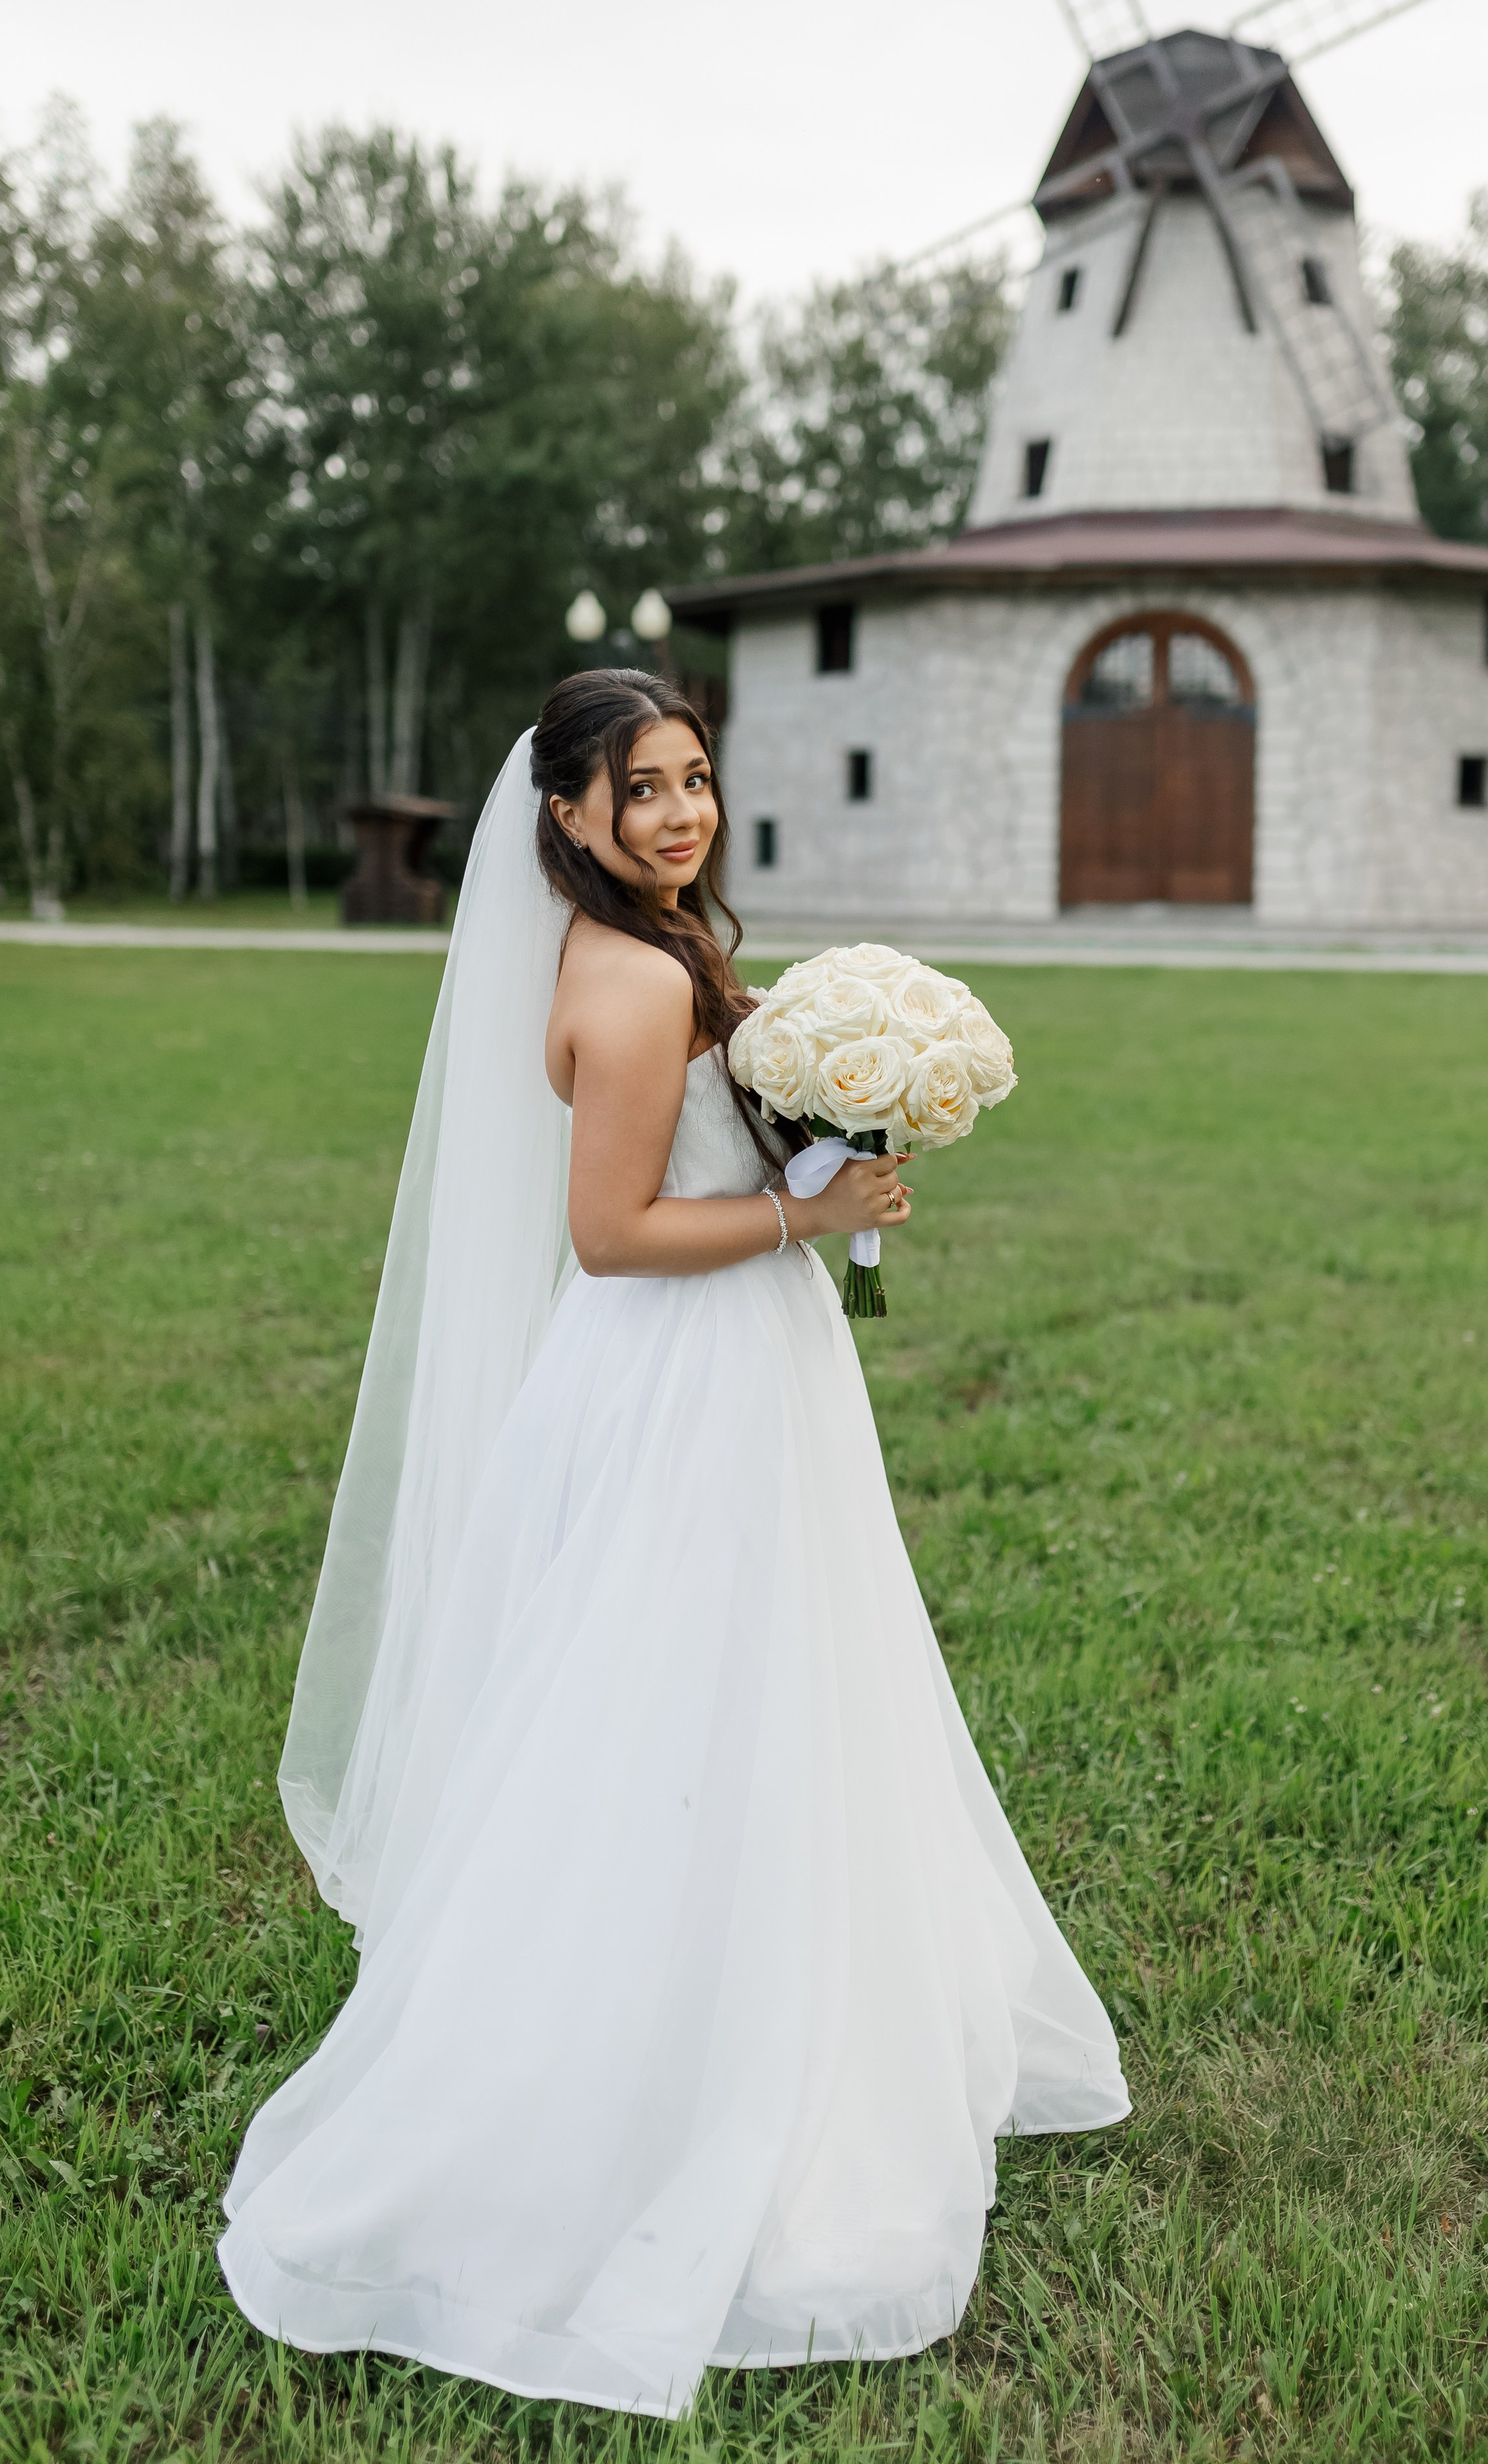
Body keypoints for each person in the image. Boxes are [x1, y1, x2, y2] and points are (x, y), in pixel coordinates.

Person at [217, 671, 1127, 2418]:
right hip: (677, 1382)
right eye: (639, 790)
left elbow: (703, 1136)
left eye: (695, 779)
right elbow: (617, 1231)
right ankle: (664, 2054)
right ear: (565, 815)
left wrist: (823, 1100)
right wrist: (813, 1209)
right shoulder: (631, 980)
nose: (678, 813)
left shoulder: (669, 953)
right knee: (668, 1712)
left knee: (756, 1703)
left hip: (736, 1368)